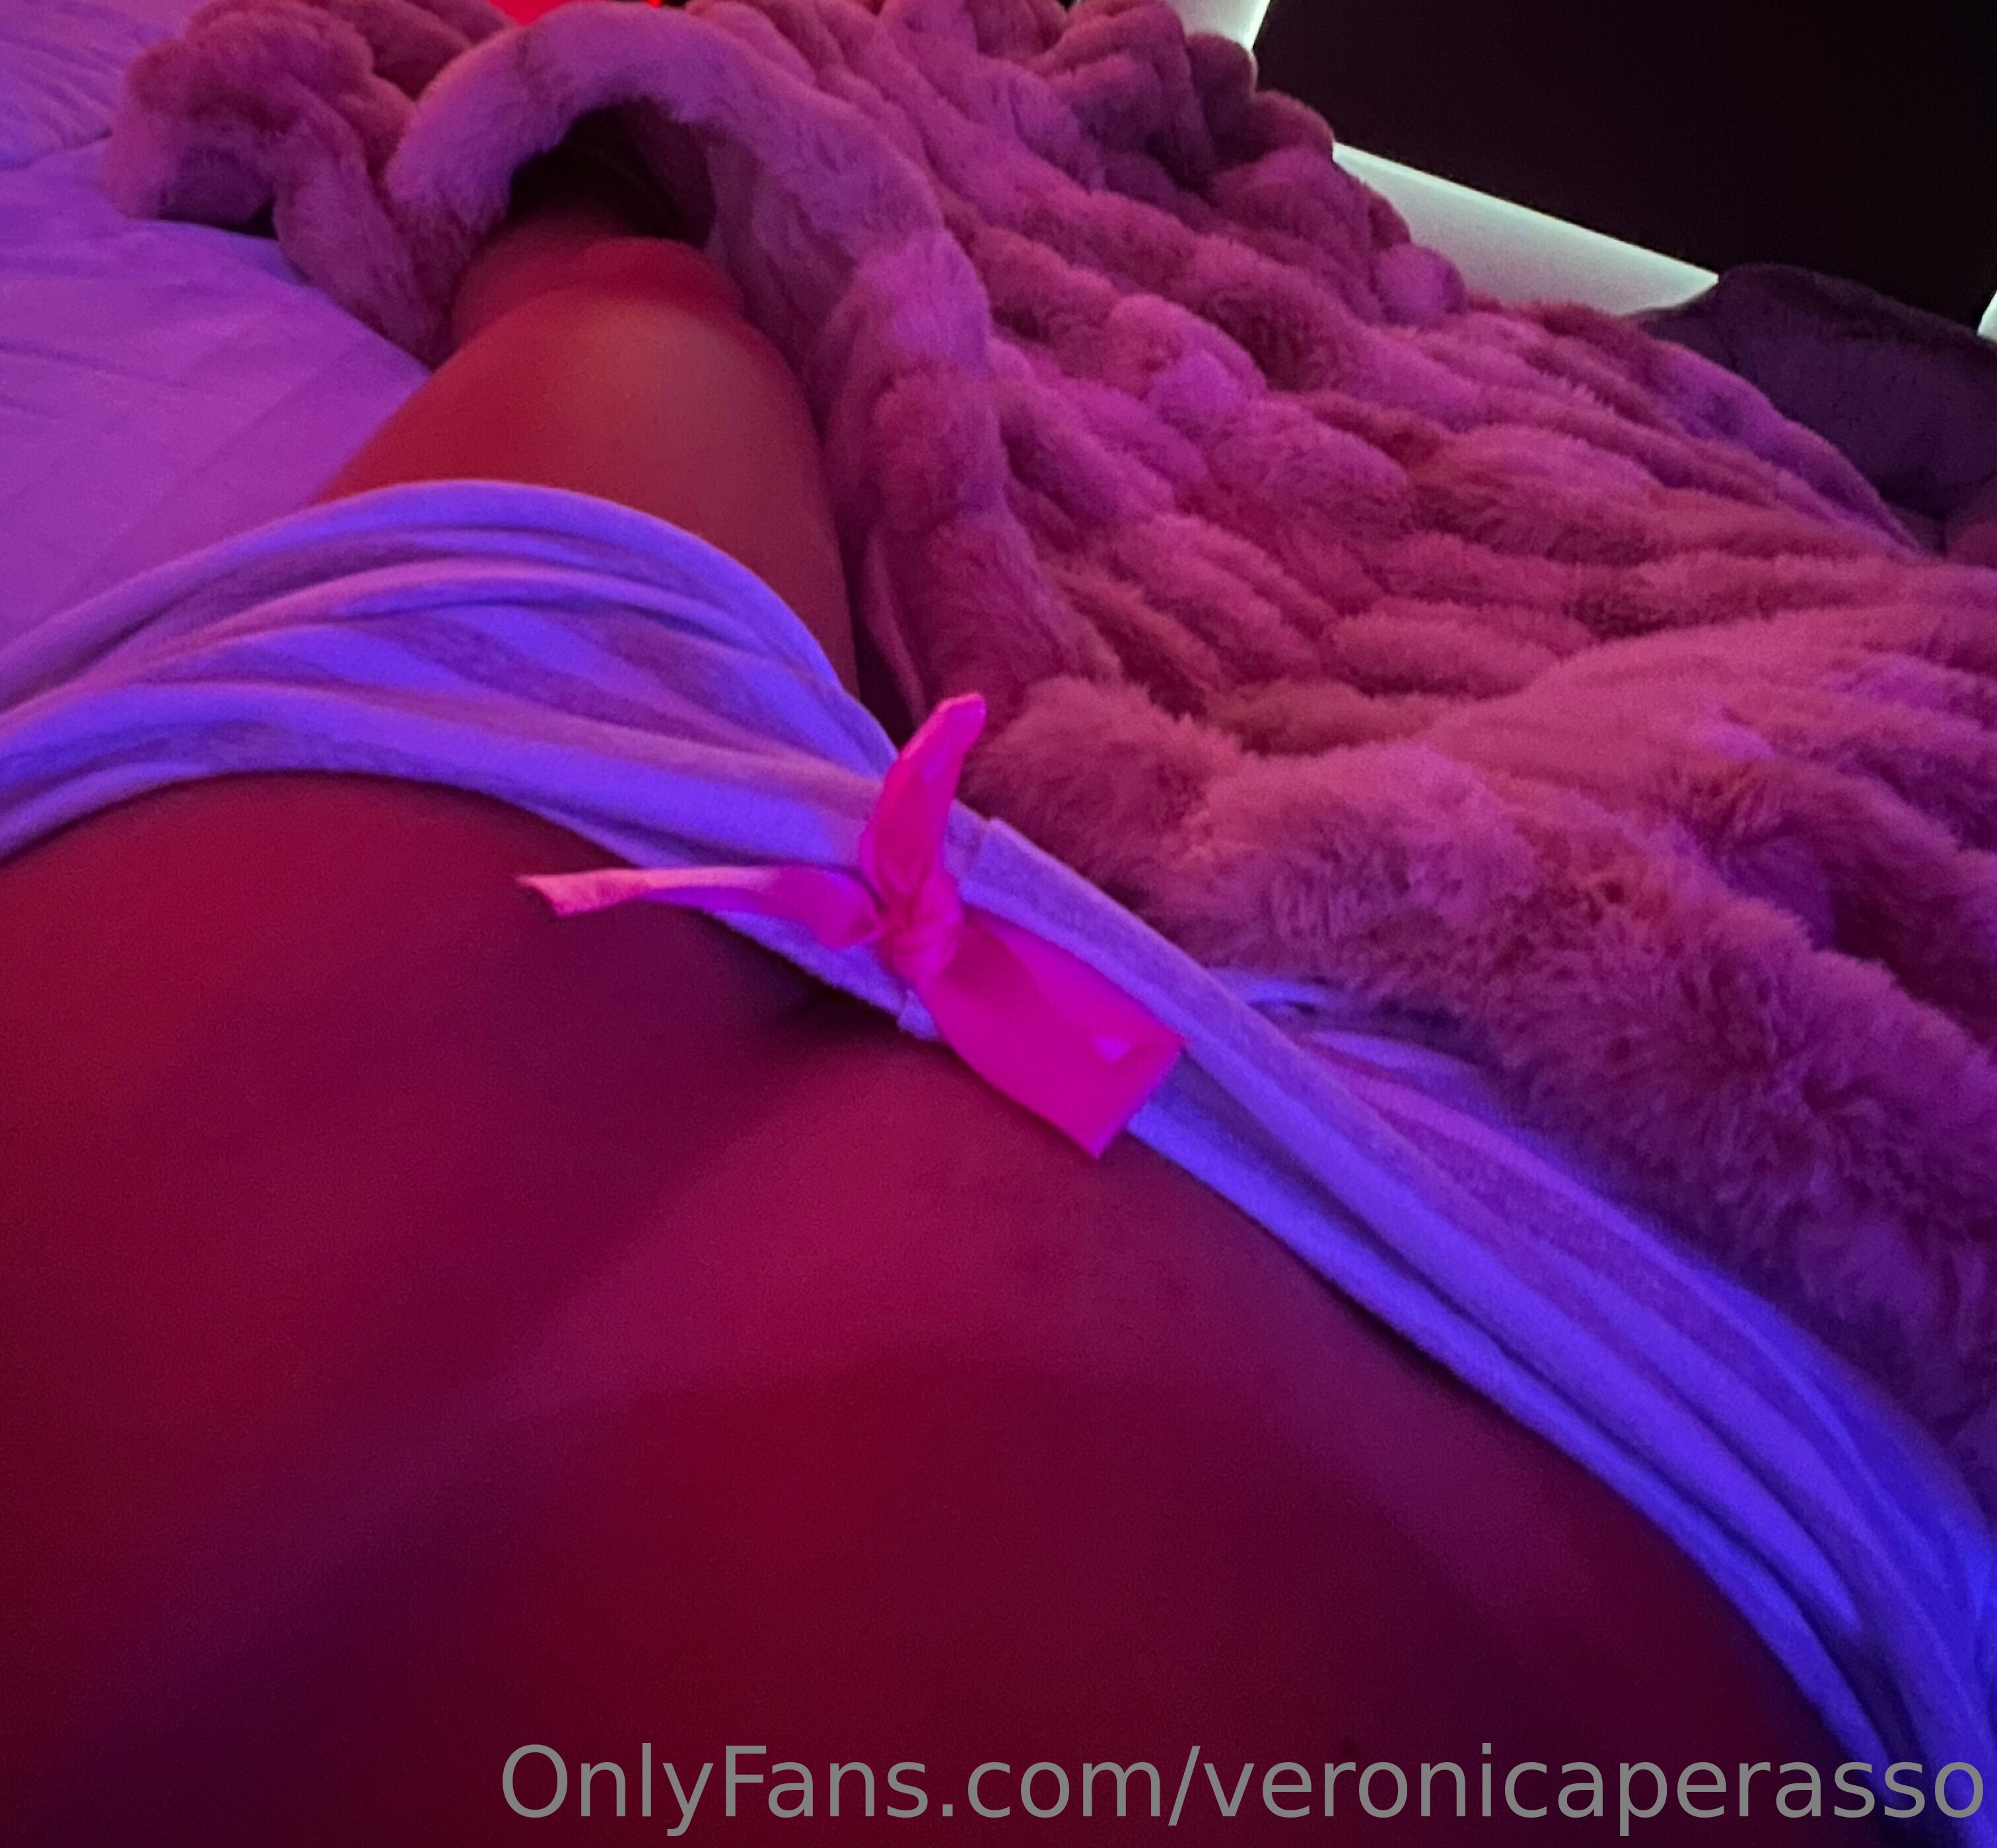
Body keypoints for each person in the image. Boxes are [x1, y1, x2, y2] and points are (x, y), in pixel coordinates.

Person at [0, 153, 1851, 1841]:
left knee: (642, 284)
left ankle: (625, 154)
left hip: (436, 769)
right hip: (1519, 1276)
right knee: (646, 295)